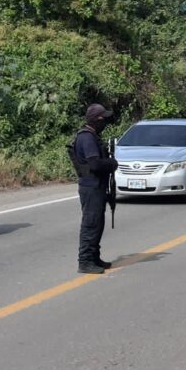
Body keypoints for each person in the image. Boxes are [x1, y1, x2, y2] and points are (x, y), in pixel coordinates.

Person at [70, 104, 118, 274]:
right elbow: (95, 164)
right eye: (103, 118)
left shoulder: (92, 135)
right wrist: (112, 163)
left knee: (97, 223)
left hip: (96, 186)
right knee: (91, 224)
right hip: (91, 186)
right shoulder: (87, 138)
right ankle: (85, 261)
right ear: (97, 119)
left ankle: (94, 257)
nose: (105, 121)